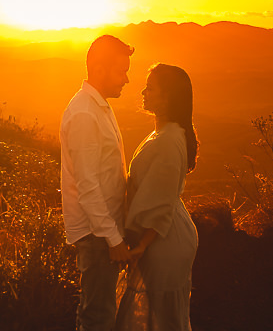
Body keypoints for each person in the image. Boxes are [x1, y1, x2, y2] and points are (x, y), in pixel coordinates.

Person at [61, 34, 136, 331]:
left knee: (101, 309)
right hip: (97, 235)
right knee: (98, 315)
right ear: (100, 69)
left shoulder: (98, 106)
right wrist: (113, 239)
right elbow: (88, 187)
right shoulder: (83, 114)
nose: (127, 79)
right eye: (122, 71)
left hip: (103, 231)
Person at [116, 63, 199, 331]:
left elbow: (161, 200)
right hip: (163, 235)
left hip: (164, 240)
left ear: (168, 98)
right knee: (158, 315)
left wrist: (142, 244)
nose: (143, 92)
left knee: (164, 318)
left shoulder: (168, 139)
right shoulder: (164, 133)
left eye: (150, 88)